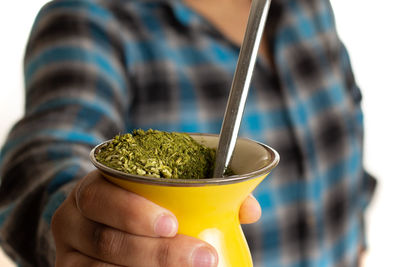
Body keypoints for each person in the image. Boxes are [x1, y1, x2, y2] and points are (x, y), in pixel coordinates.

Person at [0, 0, 376, 266]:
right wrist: (79, 220)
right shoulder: (89, 17)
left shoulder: (308, 8)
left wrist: (358, 242)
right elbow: (43, 151)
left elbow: (345, 136)